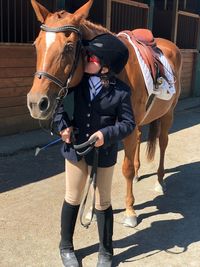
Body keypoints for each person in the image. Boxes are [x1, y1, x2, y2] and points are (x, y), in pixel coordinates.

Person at [53, 33, 135, 267]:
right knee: (72, 197)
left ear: (105, 66)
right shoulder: (75, 84)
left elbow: (129, 124)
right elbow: (58, 105)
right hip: (76, 148)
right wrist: (64, 126)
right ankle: (66, 247)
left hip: (104, 153)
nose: (85, 58)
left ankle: (106, 251)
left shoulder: (122, 91)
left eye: (91, 56)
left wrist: (105, 135)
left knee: (103, 202)